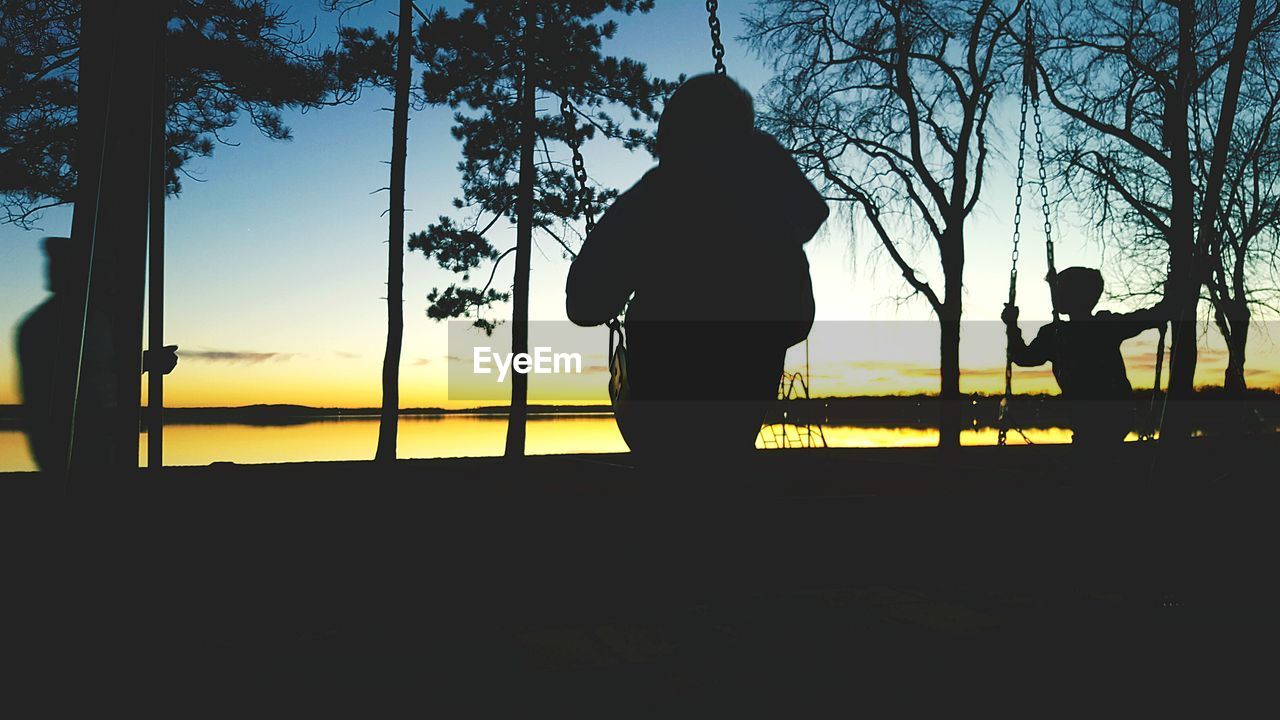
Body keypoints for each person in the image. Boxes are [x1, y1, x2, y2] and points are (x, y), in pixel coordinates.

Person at [565, 73, 828, 464]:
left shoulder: (656, 199)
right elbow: (796, 318)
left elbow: (584, 305)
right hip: (744, 395)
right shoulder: (768, 208)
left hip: (666, 401)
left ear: (672, 133)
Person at [16, 236, 177, 474]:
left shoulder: (88, 318)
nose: (110, 280)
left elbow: (98, 367)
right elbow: (72, 381)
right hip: (80, 442)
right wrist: (143, 364)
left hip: (94, 437)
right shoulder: (54, 322)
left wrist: (144, 362)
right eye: (103, 271)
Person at [1002, 266, 1168, 447]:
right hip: (1113, 414)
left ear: (1075, 295)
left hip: (1096, 415)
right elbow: (1150, 317)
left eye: (1060, 289)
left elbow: (1023, 357)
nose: (1055, 295)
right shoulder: (1102, 327)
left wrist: (1012, 325)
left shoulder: (1058, 333)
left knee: (1090, 454)